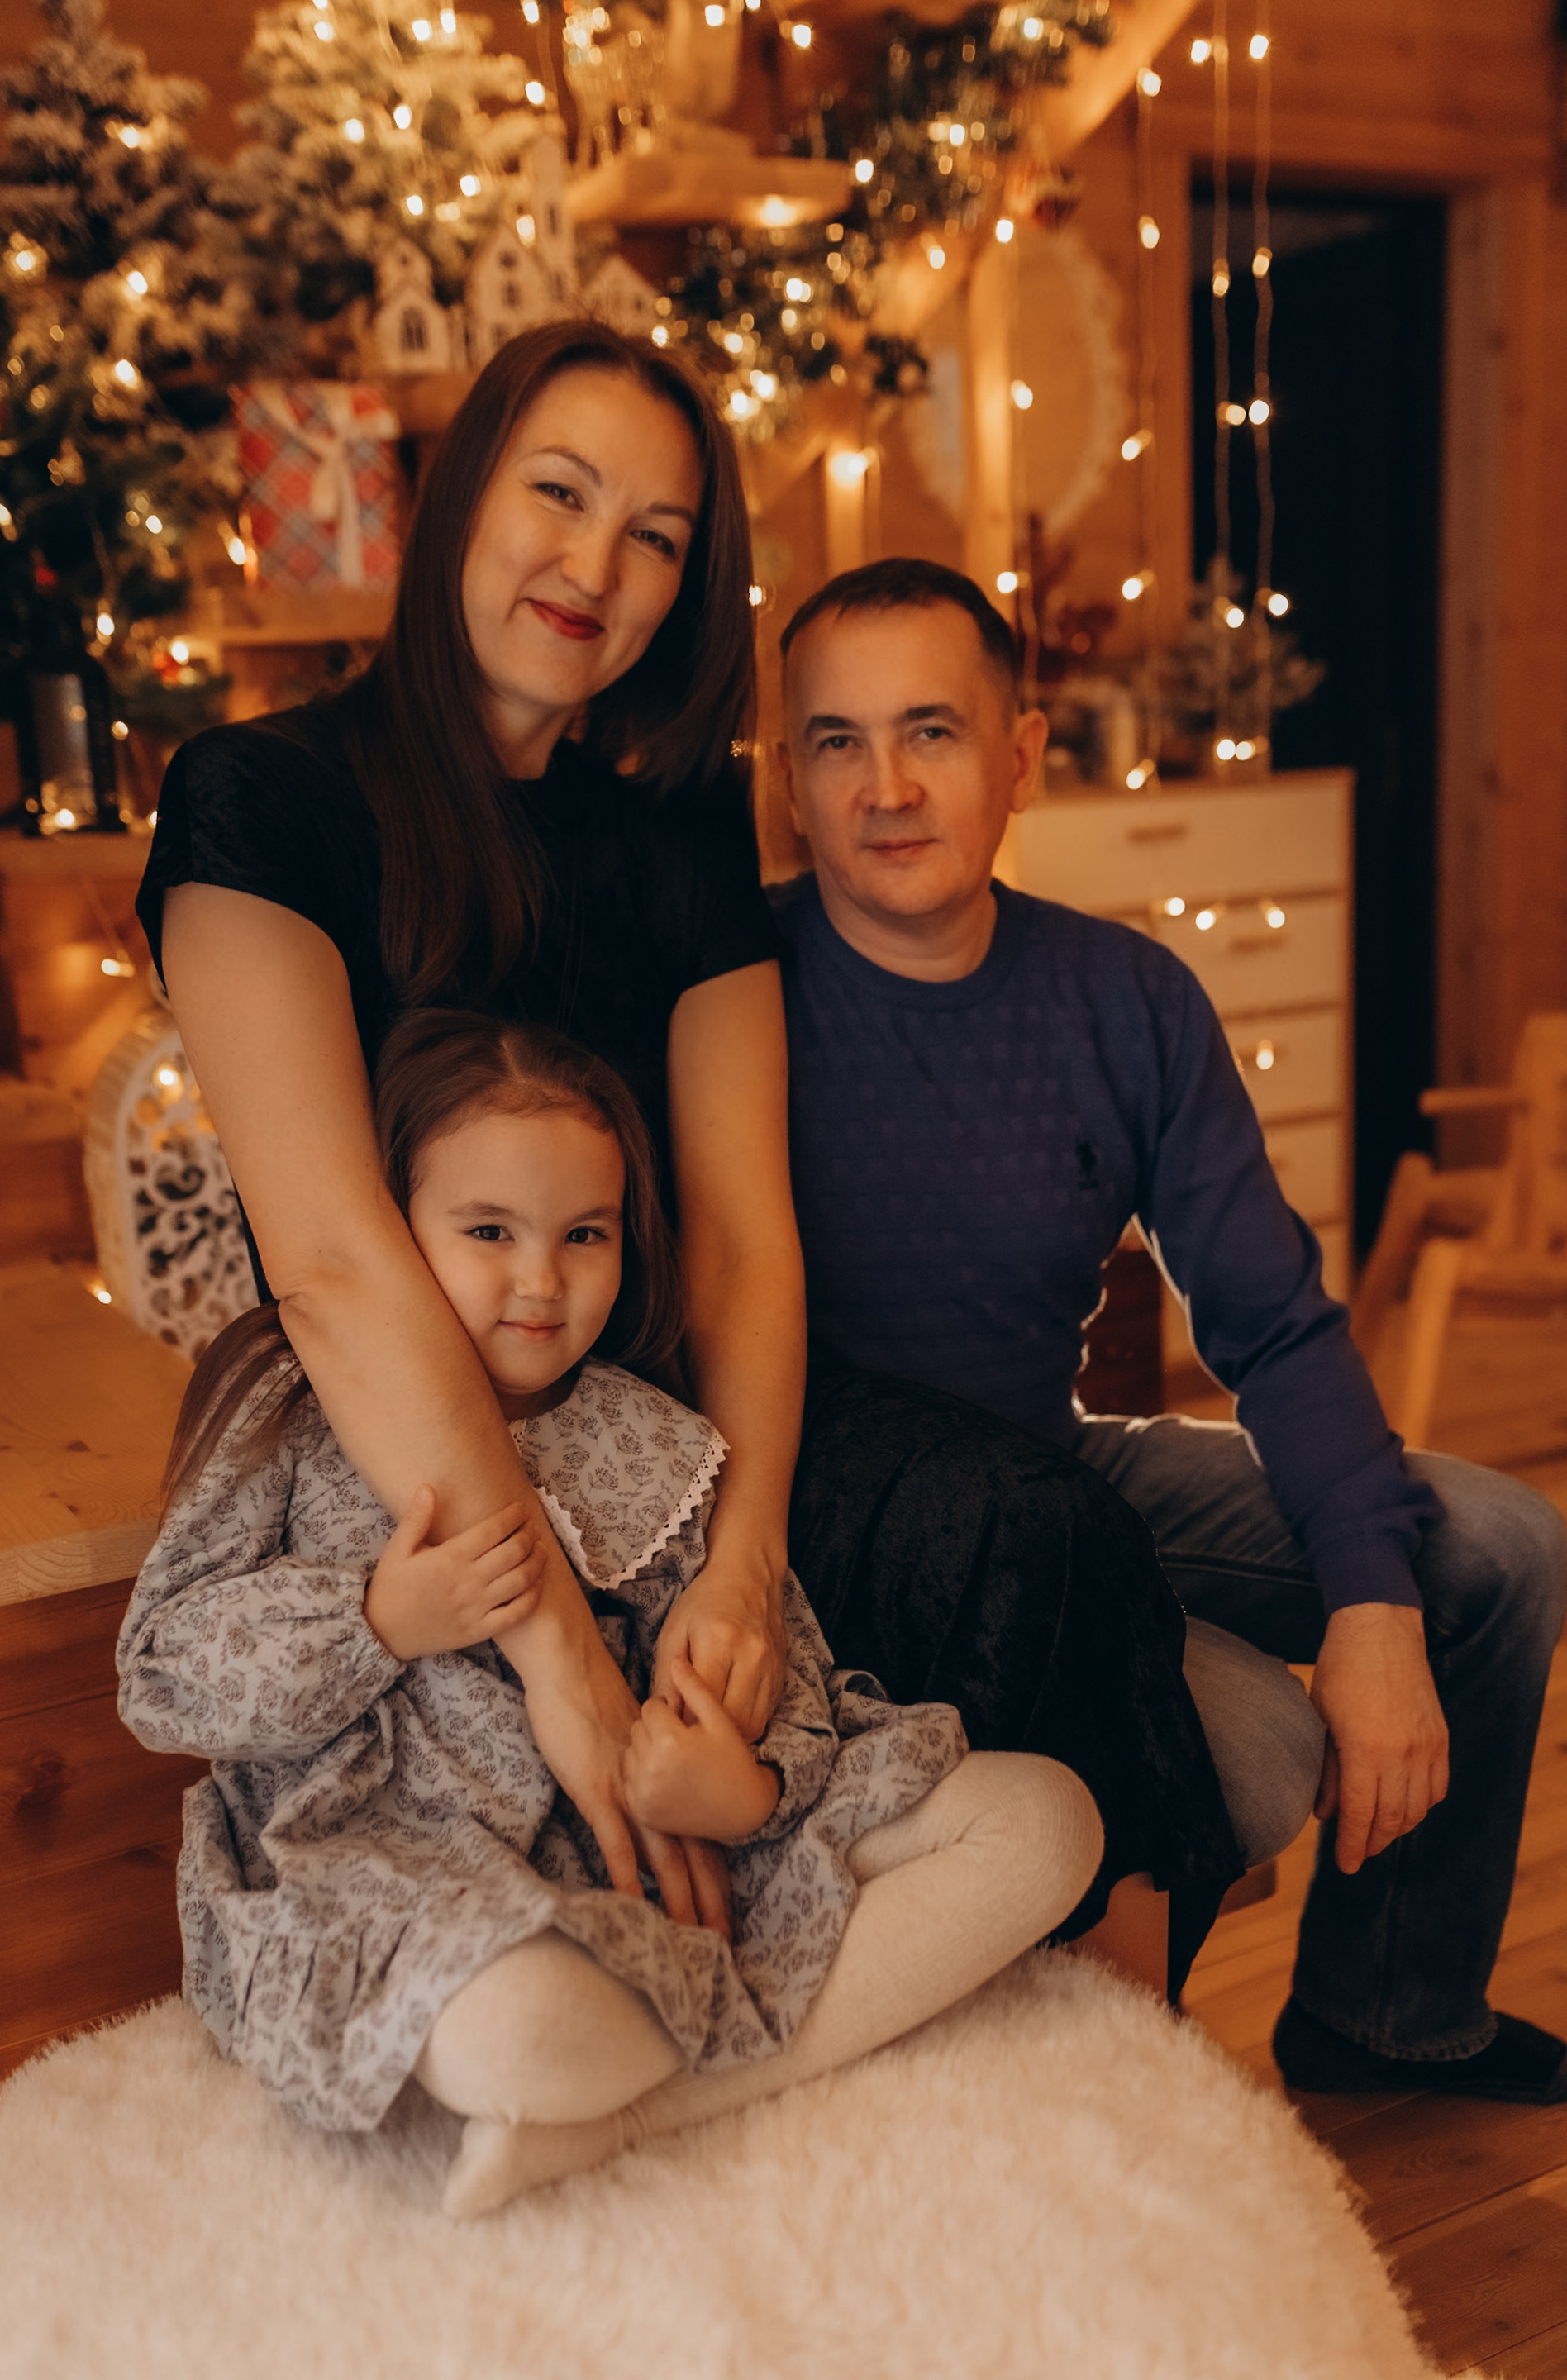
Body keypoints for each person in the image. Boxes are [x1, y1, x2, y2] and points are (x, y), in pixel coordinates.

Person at [136, 320, 1245, 1997]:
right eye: (559, 494)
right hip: (393, 1419)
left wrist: (746, 1556)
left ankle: (1124, 2066)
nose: (597, 568)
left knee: (1037, 1524)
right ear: (460, 496)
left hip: (661, 1417)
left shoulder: (680, 821)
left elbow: (735, 1232)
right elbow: (335, 1259)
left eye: (656, 537)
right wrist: (562, 1657)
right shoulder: (257, 799)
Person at [773, 555, 1567, 2102]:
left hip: (1062, 1466)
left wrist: (1375, 1604)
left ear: (1020, 754)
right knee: (1252, 1747)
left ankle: (1387, 2011)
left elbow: (1273, 1324)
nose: (887, 787)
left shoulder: (1125, 998)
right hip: (836, 1540)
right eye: (836, 742)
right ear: (787, 780)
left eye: (932, 732)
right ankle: (1104, 2082)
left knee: (1497, 1550)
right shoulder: (736, 991)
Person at [118, 1011, 1107, 2219]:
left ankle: (624, 2117)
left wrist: (742, 1791)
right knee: (525, 2031)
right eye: (489, 1231)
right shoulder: (287, 1404)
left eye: (583, 1234)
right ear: (393, 1227)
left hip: (664, 1874)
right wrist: (376, 1620)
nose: (541, 1281)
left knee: (1045, 1826)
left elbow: (782, 1665)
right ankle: (608, 2075)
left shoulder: (656, 1437)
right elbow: (161, 1677)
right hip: (407, 1874)